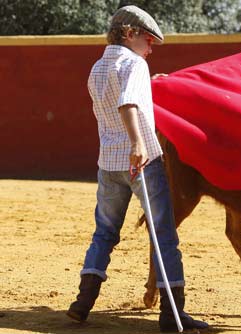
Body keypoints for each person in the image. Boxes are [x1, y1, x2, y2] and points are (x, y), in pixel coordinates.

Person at [66, 5, 208, 332]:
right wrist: (138, 144)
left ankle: (82, 302)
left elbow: (121, 96)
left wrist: (149, 84)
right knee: (163, 233)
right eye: (148, 39)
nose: (151, 47)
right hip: (140, 161)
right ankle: (173, 314)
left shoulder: (97, 67)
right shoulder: (134, 65)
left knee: (104, 232)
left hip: (108, 164)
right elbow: (128, 102)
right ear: (129, 34)